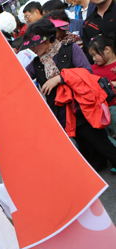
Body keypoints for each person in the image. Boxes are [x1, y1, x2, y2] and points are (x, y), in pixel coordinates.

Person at [24, 19, 116, 172]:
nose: (32, 48)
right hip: (61, 114)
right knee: (86, 153)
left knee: (103, 145)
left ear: (47, 38)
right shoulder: (36, 63)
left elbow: (87, 72)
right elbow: (20, 79)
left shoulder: (70, 48)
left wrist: (60, 78)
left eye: (34, 44)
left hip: (83, 108)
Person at [88, 33, 116, 150]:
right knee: (103, 138)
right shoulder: (91, 69)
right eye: (92, 56)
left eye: (95, 55)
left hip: (113, 107)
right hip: (99, 110)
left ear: (107, 49)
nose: (94, 59)